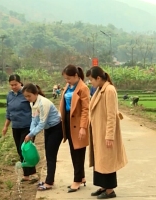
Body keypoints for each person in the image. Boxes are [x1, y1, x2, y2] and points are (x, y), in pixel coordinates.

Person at [87, 67, 128, 199]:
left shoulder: (109, 90)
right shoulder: (100, 89)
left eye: (91, 80)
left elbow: (111, 115)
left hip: (105, 132)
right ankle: (103, 186)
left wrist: (109, 135)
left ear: (98, 78)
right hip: (98, 131)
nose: (90, 82)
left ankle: (110, 190)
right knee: (100, 160)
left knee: (107, 161)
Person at [22, 83, 63, 191]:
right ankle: (48, 180)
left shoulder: (43, 103)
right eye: (25, 96)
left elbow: (42, 123)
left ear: (35, 93)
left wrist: (31, 135)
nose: (27, 98)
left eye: (29, 96)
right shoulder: (33, 103)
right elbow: (34, 119)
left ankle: (49, 182)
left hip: (56, 128)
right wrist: (30, 132)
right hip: (48, 129)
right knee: (48, 154)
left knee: (51, 155)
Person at [59, 64, 90, 193]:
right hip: (68, 120)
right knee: (73, 150)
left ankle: (77, 179)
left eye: (69, 78)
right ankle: (81, 177)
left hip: (78, 123)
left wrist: (83, 127)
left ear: (76, 76)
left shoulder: (83, 88)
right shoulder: (69, 86)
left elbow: (85, 109)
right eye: (65, 79)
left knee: (78, 152)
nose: (67, 81)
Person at [2, 74, 38, 182]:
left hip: (27, 126)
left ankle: (33, 174)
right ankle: (26, 175)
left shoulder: (25, 94)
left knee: (26, 150)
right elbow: (9, 112)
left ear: (20, 83)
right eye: (11, 85)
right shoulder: (9, 95)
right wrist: (6, 126)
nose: (13, 87)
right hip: (16, 127)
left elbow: (36, 108)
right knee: (19, 150)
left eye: (15, 84)